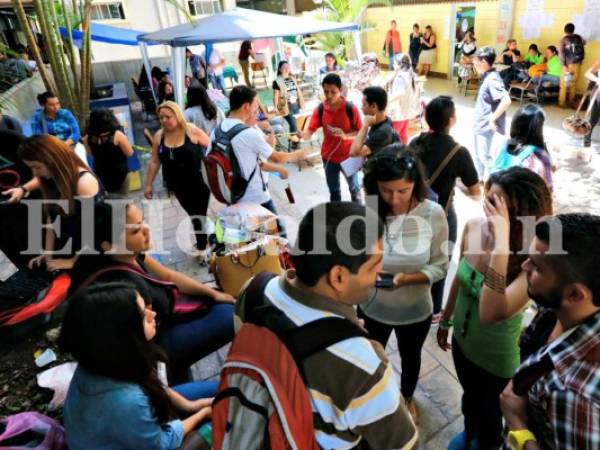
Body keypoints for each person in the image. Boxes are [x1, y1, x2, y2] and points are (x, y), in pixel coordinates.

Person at [235, 201, 419, 449]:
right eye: (375, 264)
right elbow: (404, 445)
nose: (381, 271)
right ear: (339, 277)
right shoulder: (363, 367)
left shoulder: (253, 290)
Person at [437, 167, 553, 450]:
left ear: (521, 215)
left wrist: (501, 243)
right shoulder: (473, 227)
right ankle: (469, 433)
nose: (490, 213)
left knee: (490, 417)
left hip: (496, 360)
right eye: (488, 201)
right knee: (469, 401)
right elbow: (460, 280)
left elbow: (492, 313)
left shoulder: (532, 262)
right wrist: (445, 319)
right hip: (463, 345)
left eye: (499, 208)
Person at [67, 201, 235, 383]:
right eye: (135, 230)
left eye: (143, 221)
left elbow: (168, 275)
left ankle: (180, 372)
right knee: (231, 314)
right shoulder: (127, 288)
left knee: (221, 303)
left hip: (159, 324)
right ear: (108, 245)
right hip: (152, 344)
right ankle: (176, 374)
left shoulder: (126, 253)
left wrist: (214, 294)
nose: (147, 229)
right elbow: (145, 345)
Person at [61, 282, 214, 450]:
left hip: (134, 424)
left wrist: (191, 405)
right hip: (147, 437)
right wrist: (202, 414)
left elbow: (155, 384)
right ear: (120, 334)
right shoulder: (127, 401)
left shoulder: (100, 361)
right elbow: (161, 444)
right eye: (142, 315)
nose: (152, 314)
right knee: (223, 417)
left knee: (222, 392)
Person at [360, 145, 448, 423]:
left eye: (403, 191)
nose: (394, 199)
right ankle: (374, 400)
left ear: (416, 185)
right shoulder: (370, 210)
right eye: (386, 190)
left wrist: (406, 280)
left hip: (415, 308)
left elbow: (440, 265)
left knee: (411, 359)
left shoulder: (433, 214)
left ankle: (407, 397)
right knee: (371, 358)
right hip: (373, 307)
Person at [500, 213, 600, 450]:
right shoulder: (559, 310)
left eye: (536, 267)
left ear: (575, 295)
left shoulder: (574, 395)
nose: (524, 265)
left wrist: (517, 427)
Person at [410, 96, 482, 320]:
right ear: (451, 120)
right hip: (442, 214)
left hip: (414, 211)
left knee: (418, 256)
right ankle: (434, 311)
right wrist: (455, 185)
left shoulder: (415, 142)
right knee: (440, 262)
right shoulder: (459, 152)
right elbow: (476, 192)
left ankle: (414, 299)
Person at [2, 134, 103, 271]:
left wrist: (73, 261)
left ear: (52, 159)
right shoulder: (52, 180)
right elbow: (52, 218)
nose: (35, 173)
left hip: (96, 254)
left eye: (37, 167)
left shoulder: (83, 182)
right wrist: (48, 254)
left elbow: (92, 230)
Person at [208, 85, 306, 215]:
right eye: (255, 106)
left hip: (232, 194)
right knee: (278, 232)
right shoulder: (248, 133)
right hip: (256, 198)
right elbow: (277, 158)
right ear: (246, 106)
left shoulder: (217, 131)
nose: (257, 110)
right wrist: (300, 154)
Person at [144, 101, 212, 260]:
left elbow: (211, 147)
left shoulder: (191, 131)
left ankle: (202, 249)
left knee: (198, 215)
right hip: (177, 185)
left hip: (199, 182)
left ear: (177, 115)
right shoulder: (159, 136)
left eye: (168, 116)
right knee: (193, 214)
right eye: (161, 118)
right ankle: (206, 238)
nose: (164, 120)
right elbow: (154, 161)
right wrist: (148, 184)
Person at [302, 73, 363, 203]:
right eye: (326, 92)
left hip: (349, 157)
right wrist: (303, 135)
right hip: (329, 158)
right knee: (334, 192)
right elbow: (309, 131)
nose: (329, 96)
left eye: (333, 92)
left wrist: (345, 136)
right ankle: (338, 218)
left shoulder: (350, 108)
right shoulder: (320, 109)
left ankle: (359, 217)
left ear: (340, 90)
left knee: (354, 190)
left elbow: (361, 132)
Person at [472, 46, 512, 181]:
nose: (474, 63)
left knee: (486, 157)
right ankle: (481, 180)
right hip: (480, 124)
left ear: (483, 62)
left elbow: (506, 101)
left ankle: (493, 186)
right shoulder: (487, 76)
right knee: (479, 156)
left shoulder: (493, 79)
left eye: (476, 61)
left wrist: (492, 120)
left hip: (486, 127)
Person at [492, 104, 553, 189]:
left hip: (495, 194)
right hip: (522, 199)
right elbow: (548, 187)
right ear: (539, 128)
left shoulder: (502, 145)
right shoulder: (539, 156)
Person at [83, 109, 133, 198]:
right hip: (120, 175)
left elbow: (89, 153)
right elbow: (129, 153)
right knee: (123, 202)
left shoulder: (87, 138)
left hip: (101, 174)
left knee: (108, 201)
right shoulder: (117, 135)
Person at [350, 86, 399, 161]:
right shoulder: (384, 120)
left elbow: (353, 152)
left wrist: (365, 126)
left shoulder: (383, 132)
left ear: (373, 106)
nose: (361, 108)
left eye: (364, 105)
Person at [387, 53, 421, 144]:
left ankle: (394, 154)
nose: (393, 65)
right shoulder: (410, 74)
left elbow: (400, 93)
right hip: (407, 111)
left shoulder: (400, 77)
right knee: (403, 134)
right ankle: (403, 151)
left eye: (394, 63)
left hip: (399, 112)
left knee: (394, 136)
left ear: (399, 64)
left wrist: (386, 100)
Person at [273, 60, 305, 144]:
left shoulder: (292, 78)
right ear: (280, 69)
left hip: (295, 105)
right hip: (285, 107)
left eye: (288, 67)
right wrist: (275, 107)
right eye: (284, 68)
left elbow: (296, 91)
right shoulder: (277, 81)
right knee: (294, 125)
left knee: (297, 124)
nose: (287, 69)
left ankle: (294, 141)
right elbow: (276, 95)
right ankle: (294, 143)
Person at [559, 23, 586, 108]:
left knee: (564, 84)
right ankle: (571, 102)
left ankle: (562, 103)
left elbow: (561, 53)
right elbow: (585, 42)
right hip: (577, 64)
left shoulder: (564, 39)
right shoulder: (578, 37)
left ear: (565, 30)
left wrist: (564, 65)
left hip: (568, 65)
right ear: (573, 30)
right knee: (573, 84)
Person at [583, 59, 600, 148]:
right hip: (598, 94)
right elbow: (587, 74)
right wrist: (597, 79)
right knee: (593, 119)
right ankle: (586, 140)